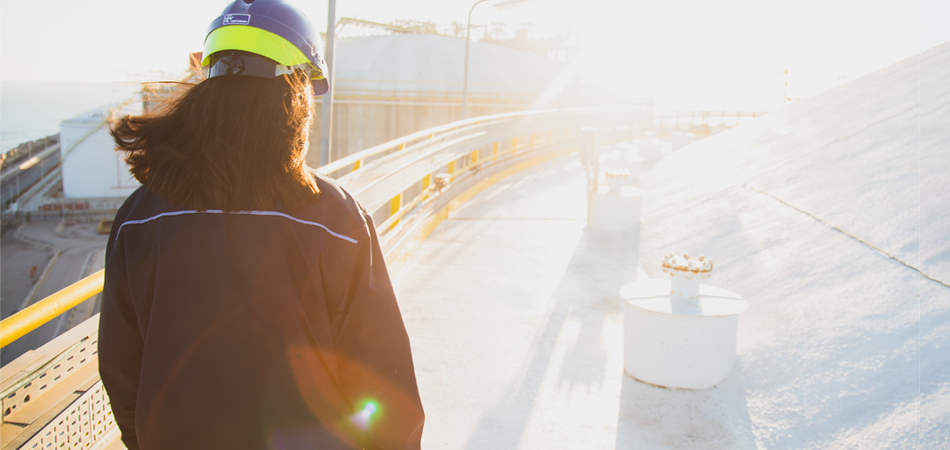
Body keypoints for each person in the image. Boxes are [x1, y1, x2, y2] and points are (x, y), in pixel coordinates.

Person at [97, 1, 425, 448]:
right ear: (296, 94)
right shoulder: (335, 221)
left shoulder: (141, 217)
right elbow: (385, 384)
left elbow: (121, 367)